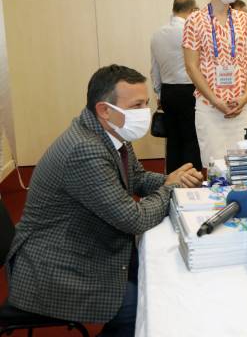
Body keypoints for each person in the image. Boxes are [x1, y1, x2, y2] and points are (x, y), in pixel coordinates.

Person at [4, 65, 203, 336]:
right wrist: (170, 188)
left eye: (145, 103)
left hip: (85, 244)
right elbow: (134, 219)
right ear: (104, 110)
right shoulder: (85, 149)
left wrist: (172, 179)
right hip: (53, 267)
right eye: (136, 105)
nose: (145, 112)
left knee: (162, 277)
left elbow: (138, 178)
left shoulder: (112, 131)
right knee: (143, 305)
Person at [183, 0, 247, 164]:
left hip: (244, 107)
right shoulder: (195, 20)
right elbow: (191, 66)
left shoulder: (244, 19)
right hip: (210, 109)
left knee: (245, 167)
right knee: (215, 167)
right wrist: (216, 101)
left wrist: (245, 96)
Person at [151, 0, 202, 173]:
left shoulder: (157, 34)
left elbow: (154, 68)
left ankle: (172, 181)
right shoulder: (193, 31)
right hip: (191, 90)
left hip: (168, 91)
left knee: (173, 139)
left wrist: (158, 93)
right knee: (191, 138)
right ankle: (192, 179)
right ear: (192, 10)